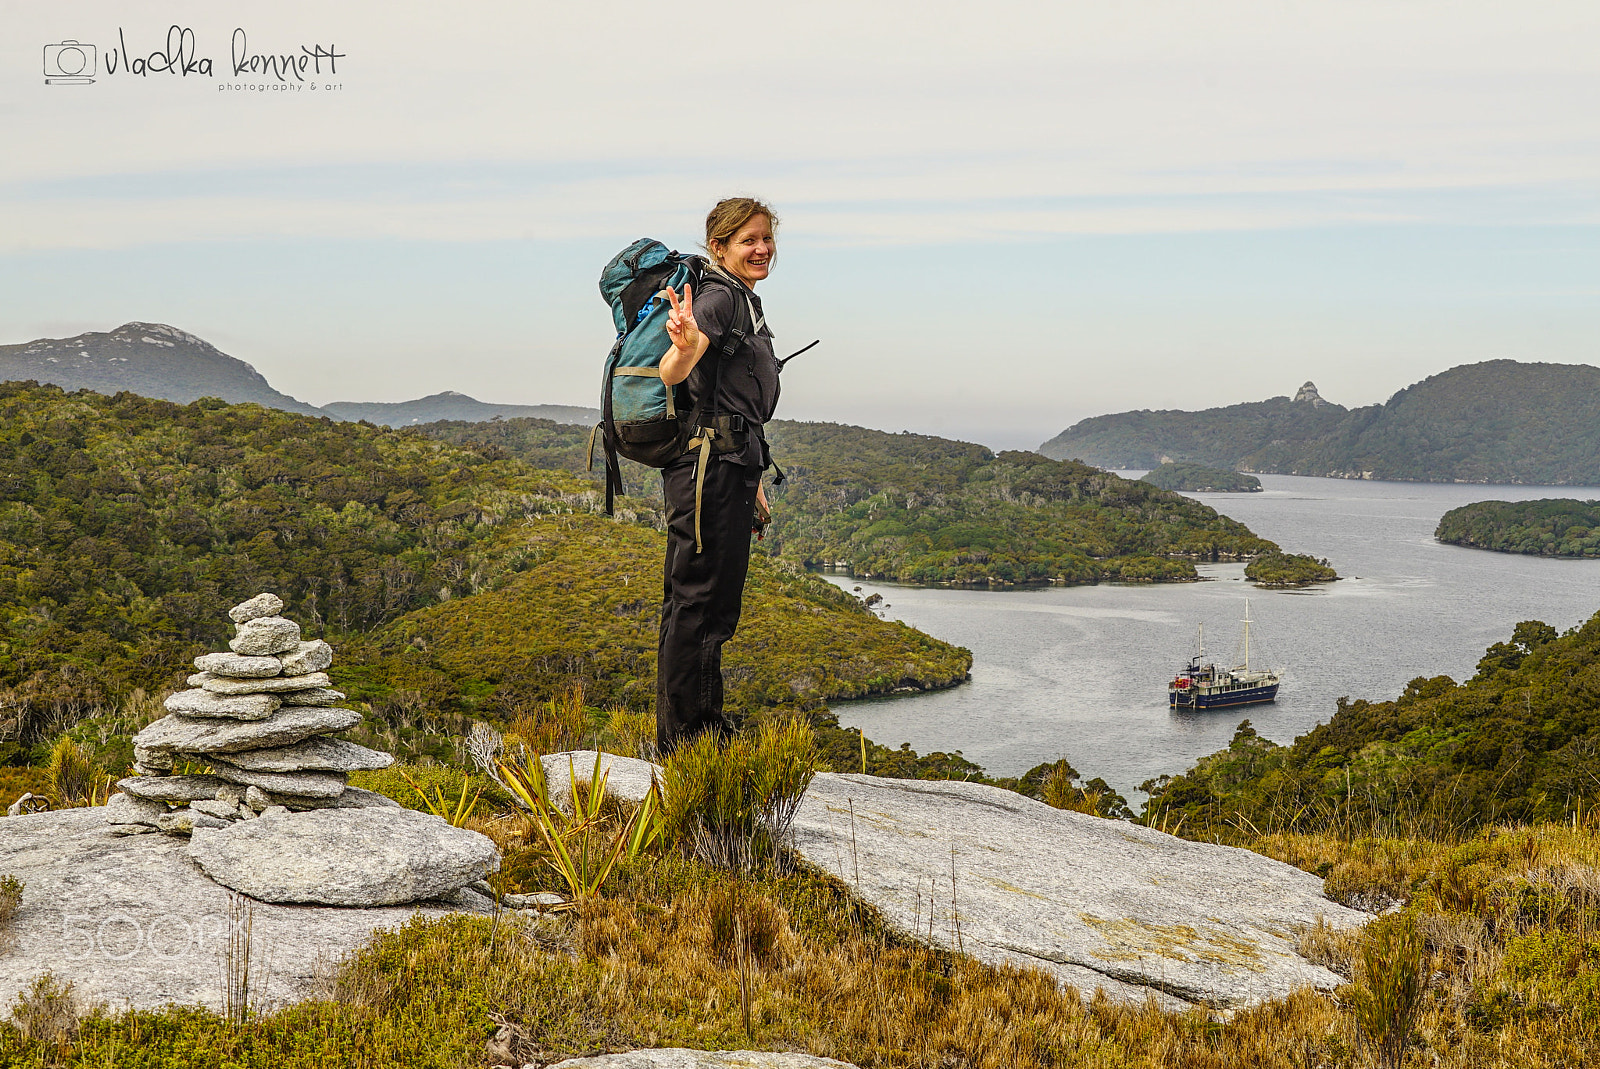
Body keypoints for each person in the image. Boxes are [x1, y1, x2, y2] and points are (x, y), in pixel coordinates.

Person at [653, 197, 781, 754]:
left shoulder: (742, 301)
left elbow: (733, 396)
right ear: (719, 247)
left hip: (730, 463)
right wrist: (681, 346)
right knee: (699, 600)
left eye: (766, 239)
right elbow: (673, 368)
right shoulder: (718, 297)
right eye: (748, 240)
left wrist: (752, 480)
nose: (761, 250)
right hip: (708, 466)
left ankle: (702, 722)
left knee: (708, 600)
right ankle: (686, 737)